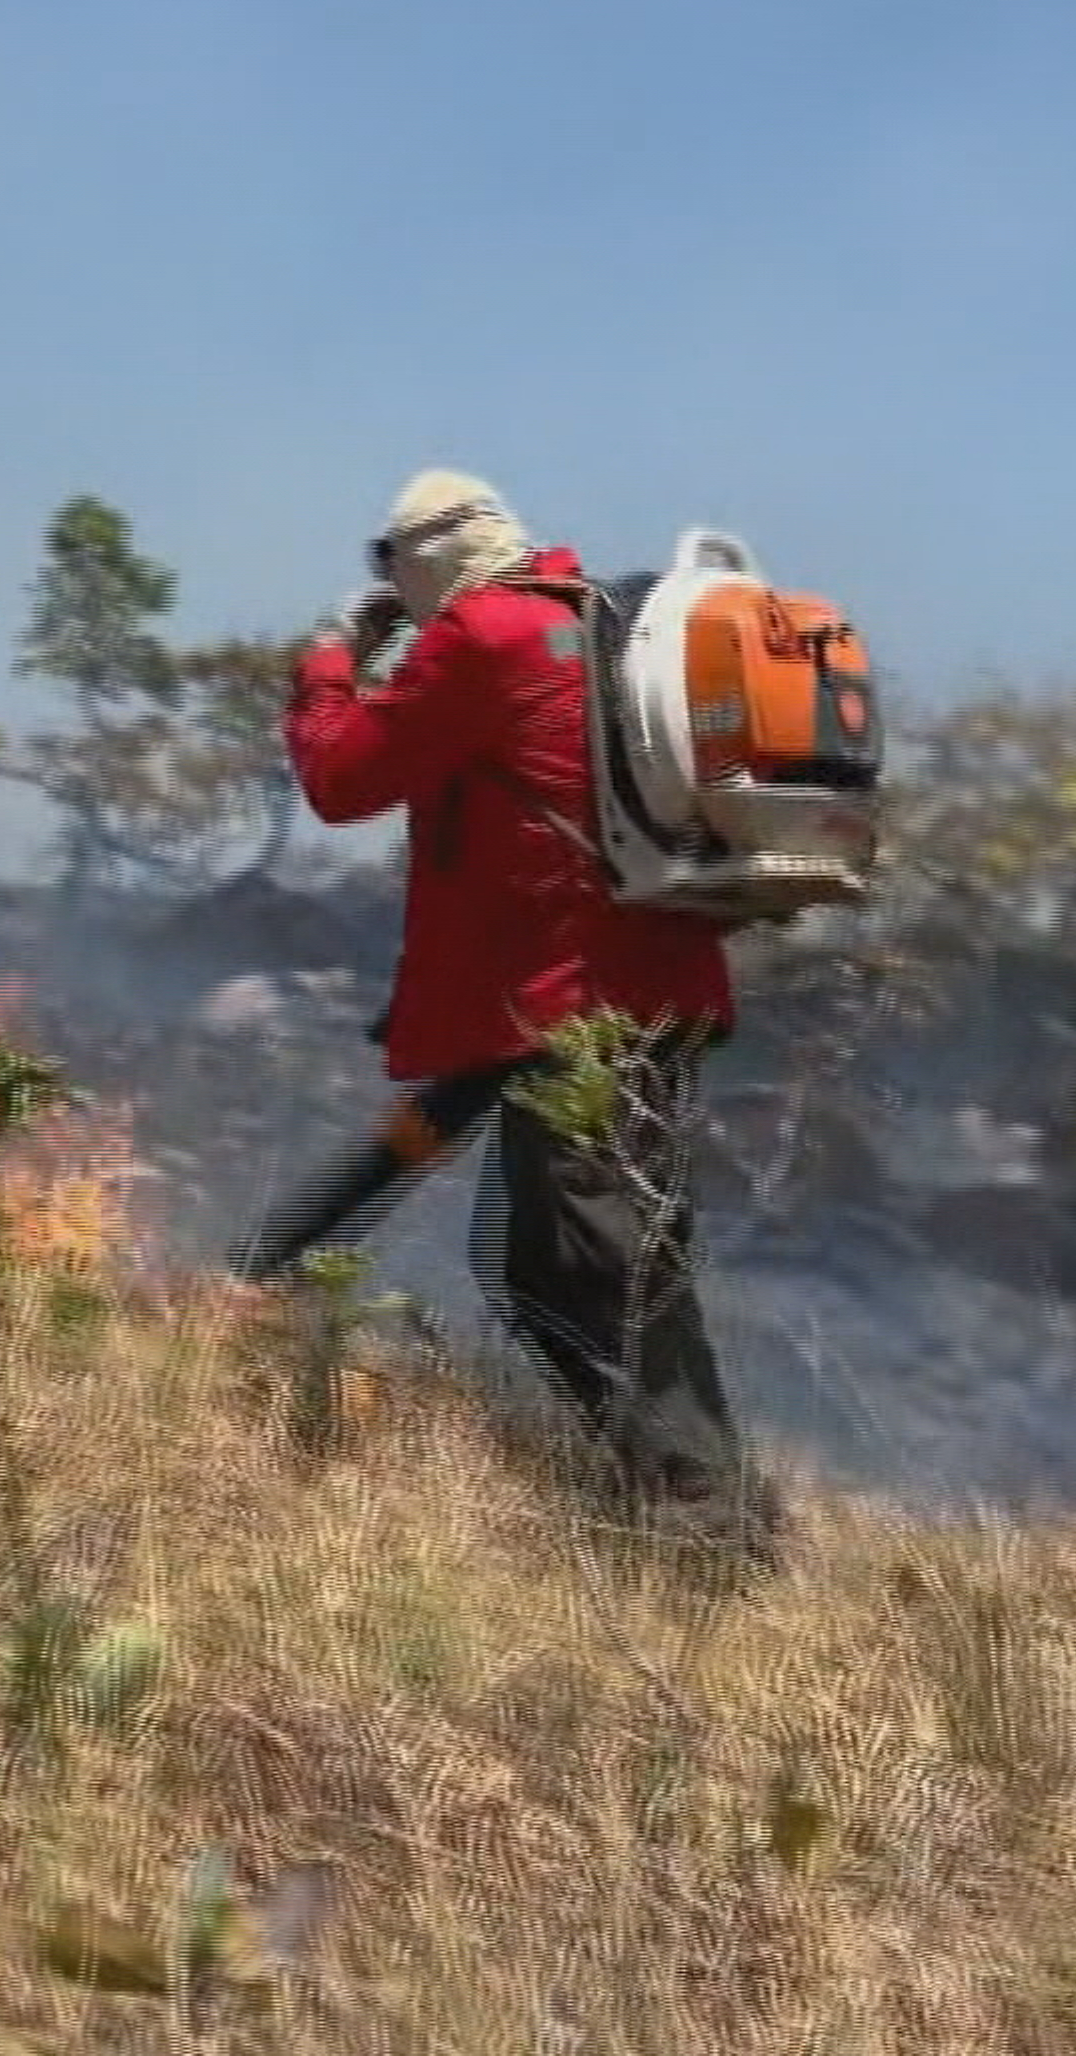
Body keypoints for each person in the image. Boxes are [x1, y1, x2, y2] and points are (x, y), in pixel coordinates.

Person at [279, 468, 783, 1552]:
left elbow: (340, 776)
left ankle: (707, 1527)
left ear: (426, 560)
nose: (390, 589)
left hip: (576, 1010)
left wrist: (327, 664)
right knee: (543, 1258)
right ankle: (660, 1484)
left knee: (603, 1259)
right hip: (640, 998)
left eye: (392, 566)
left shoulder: (484, 639)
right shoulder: (590, 622)